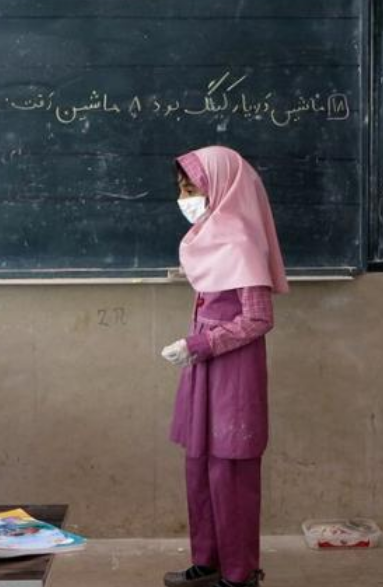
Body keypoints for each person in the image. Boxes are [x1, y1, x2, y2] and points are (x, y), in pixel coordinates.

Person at [161, 146, 289, 587]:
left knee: (229, 471)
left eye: (192, 186)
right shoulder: (212, 234)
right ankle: (208, 562)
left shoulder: (240, 238)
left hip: (231, 370)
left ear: (220, 186)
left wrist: (201, 342)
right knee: (199, 466)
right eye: (181, 187)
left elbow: (258, 318)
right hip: (204, 367)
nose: (186, 196)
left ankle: (238, 573)